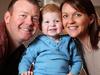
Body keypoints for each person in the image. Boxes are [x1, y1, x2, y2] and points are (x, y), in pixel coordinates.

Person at [19, 4, 82, 75]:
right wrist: (23, 71)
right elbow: (26, 59)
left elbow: (77, 61)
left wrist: (72, 73)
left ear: (63, 24)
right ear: (40, 26)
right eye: (47, 22)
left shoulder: (69, 42)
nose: (52, 24)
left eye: (57, 21)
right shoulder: (38, 42)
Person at [0, 0, 40, 75]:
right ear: (7, 17)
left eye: (35, 18)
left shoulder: (23, 53)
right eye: (23, 15)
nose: (30, 22)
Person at [60, 0, 100, 75]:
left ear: (91, 19)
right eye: (65, 16)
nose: (70, 21)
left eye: (77, 15)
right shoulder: (71, 46)